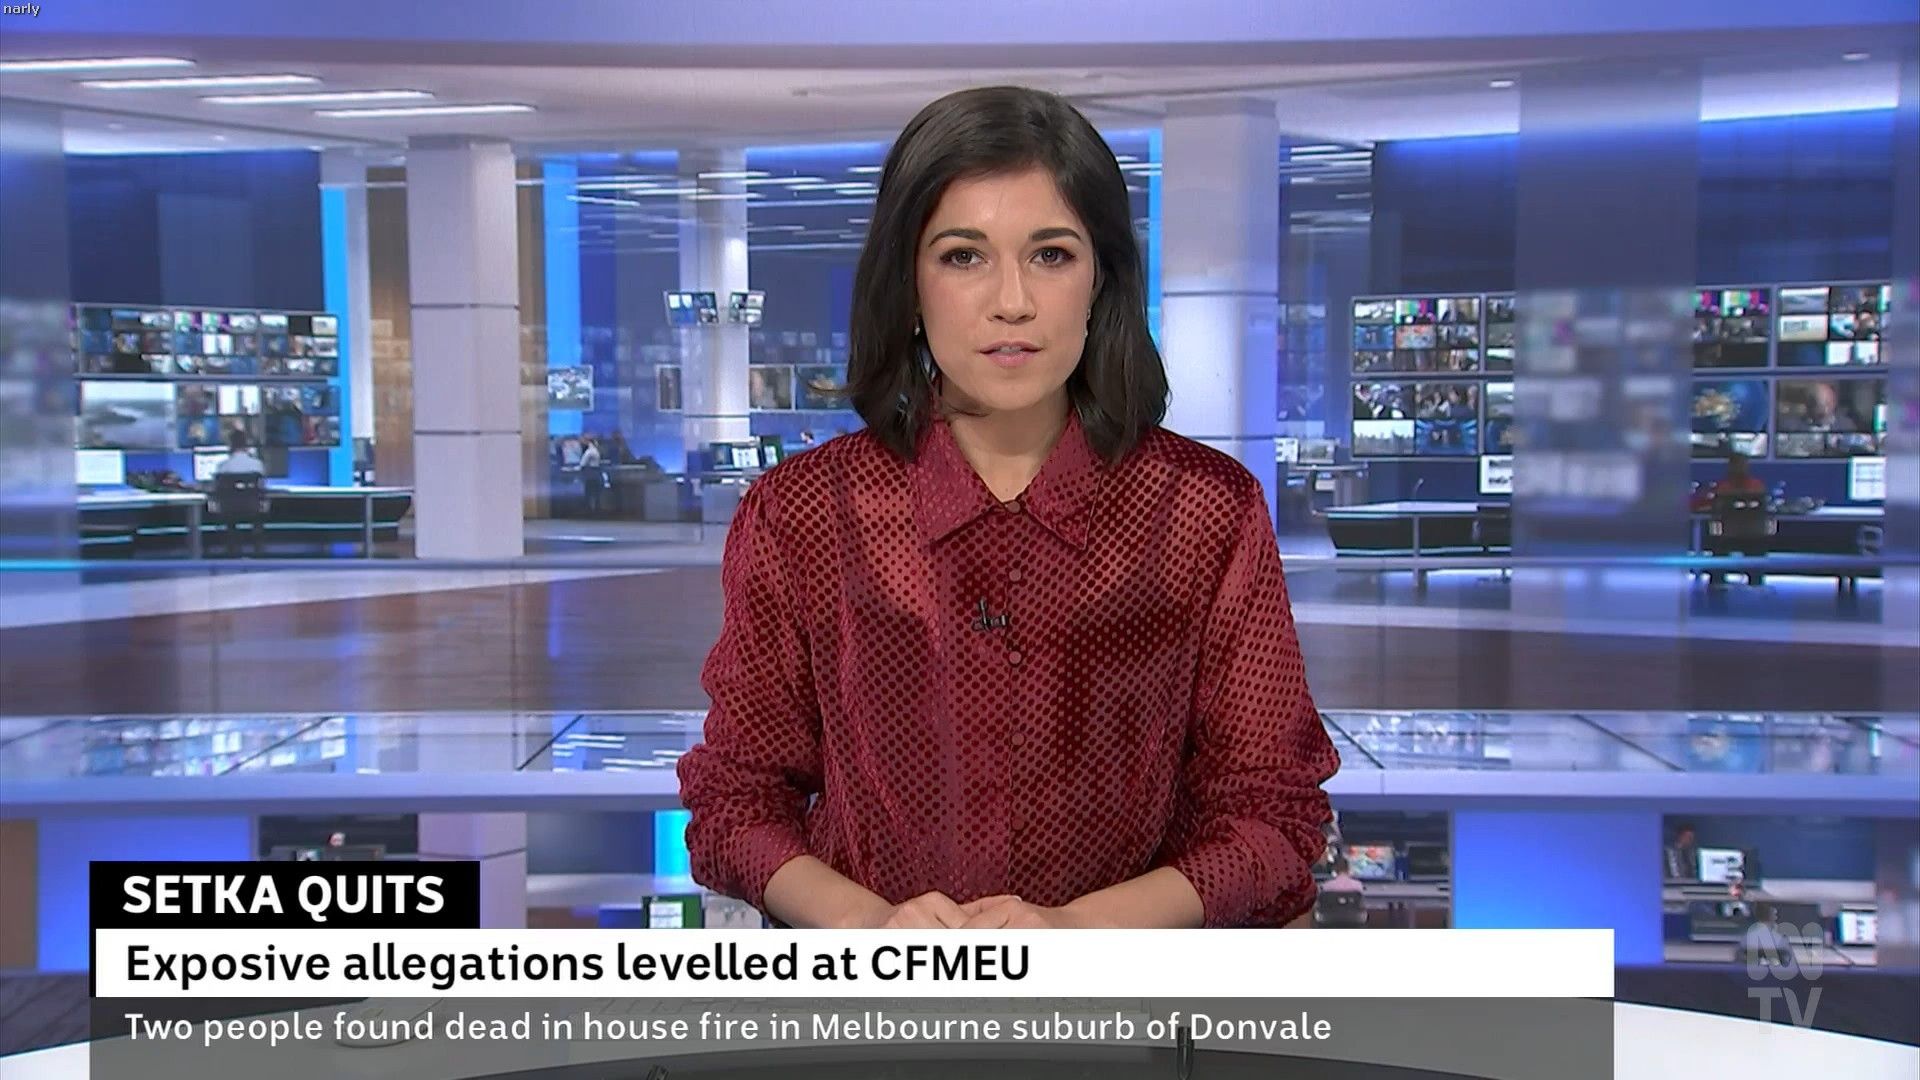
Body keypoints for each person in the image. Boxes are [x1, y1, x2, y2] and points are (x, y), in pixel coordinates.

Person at [677, 86, 1340, 931]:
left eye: (1051, 254)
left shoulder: (1204, 511)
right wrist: (869, 927)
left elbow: (1272, 817)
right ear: (908, 282)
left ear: (1101, 278)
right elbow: (736, 802)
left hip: (1127, 1003)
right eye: (964, 257)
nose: (1012, 301)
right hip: (875, 1003)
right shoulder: (804, 512)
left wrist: (1076, 932)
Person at [212, 429, 268, 557]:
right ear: (247, 445)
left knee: (229, 514)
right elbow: (262, 488)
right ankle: (258, 550)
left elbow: (217, 491)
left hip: (229, 511)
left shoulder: (223, 466)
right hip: (253, 509)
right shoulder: (257, 465)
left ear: (230, 445)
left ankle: (231, 549)